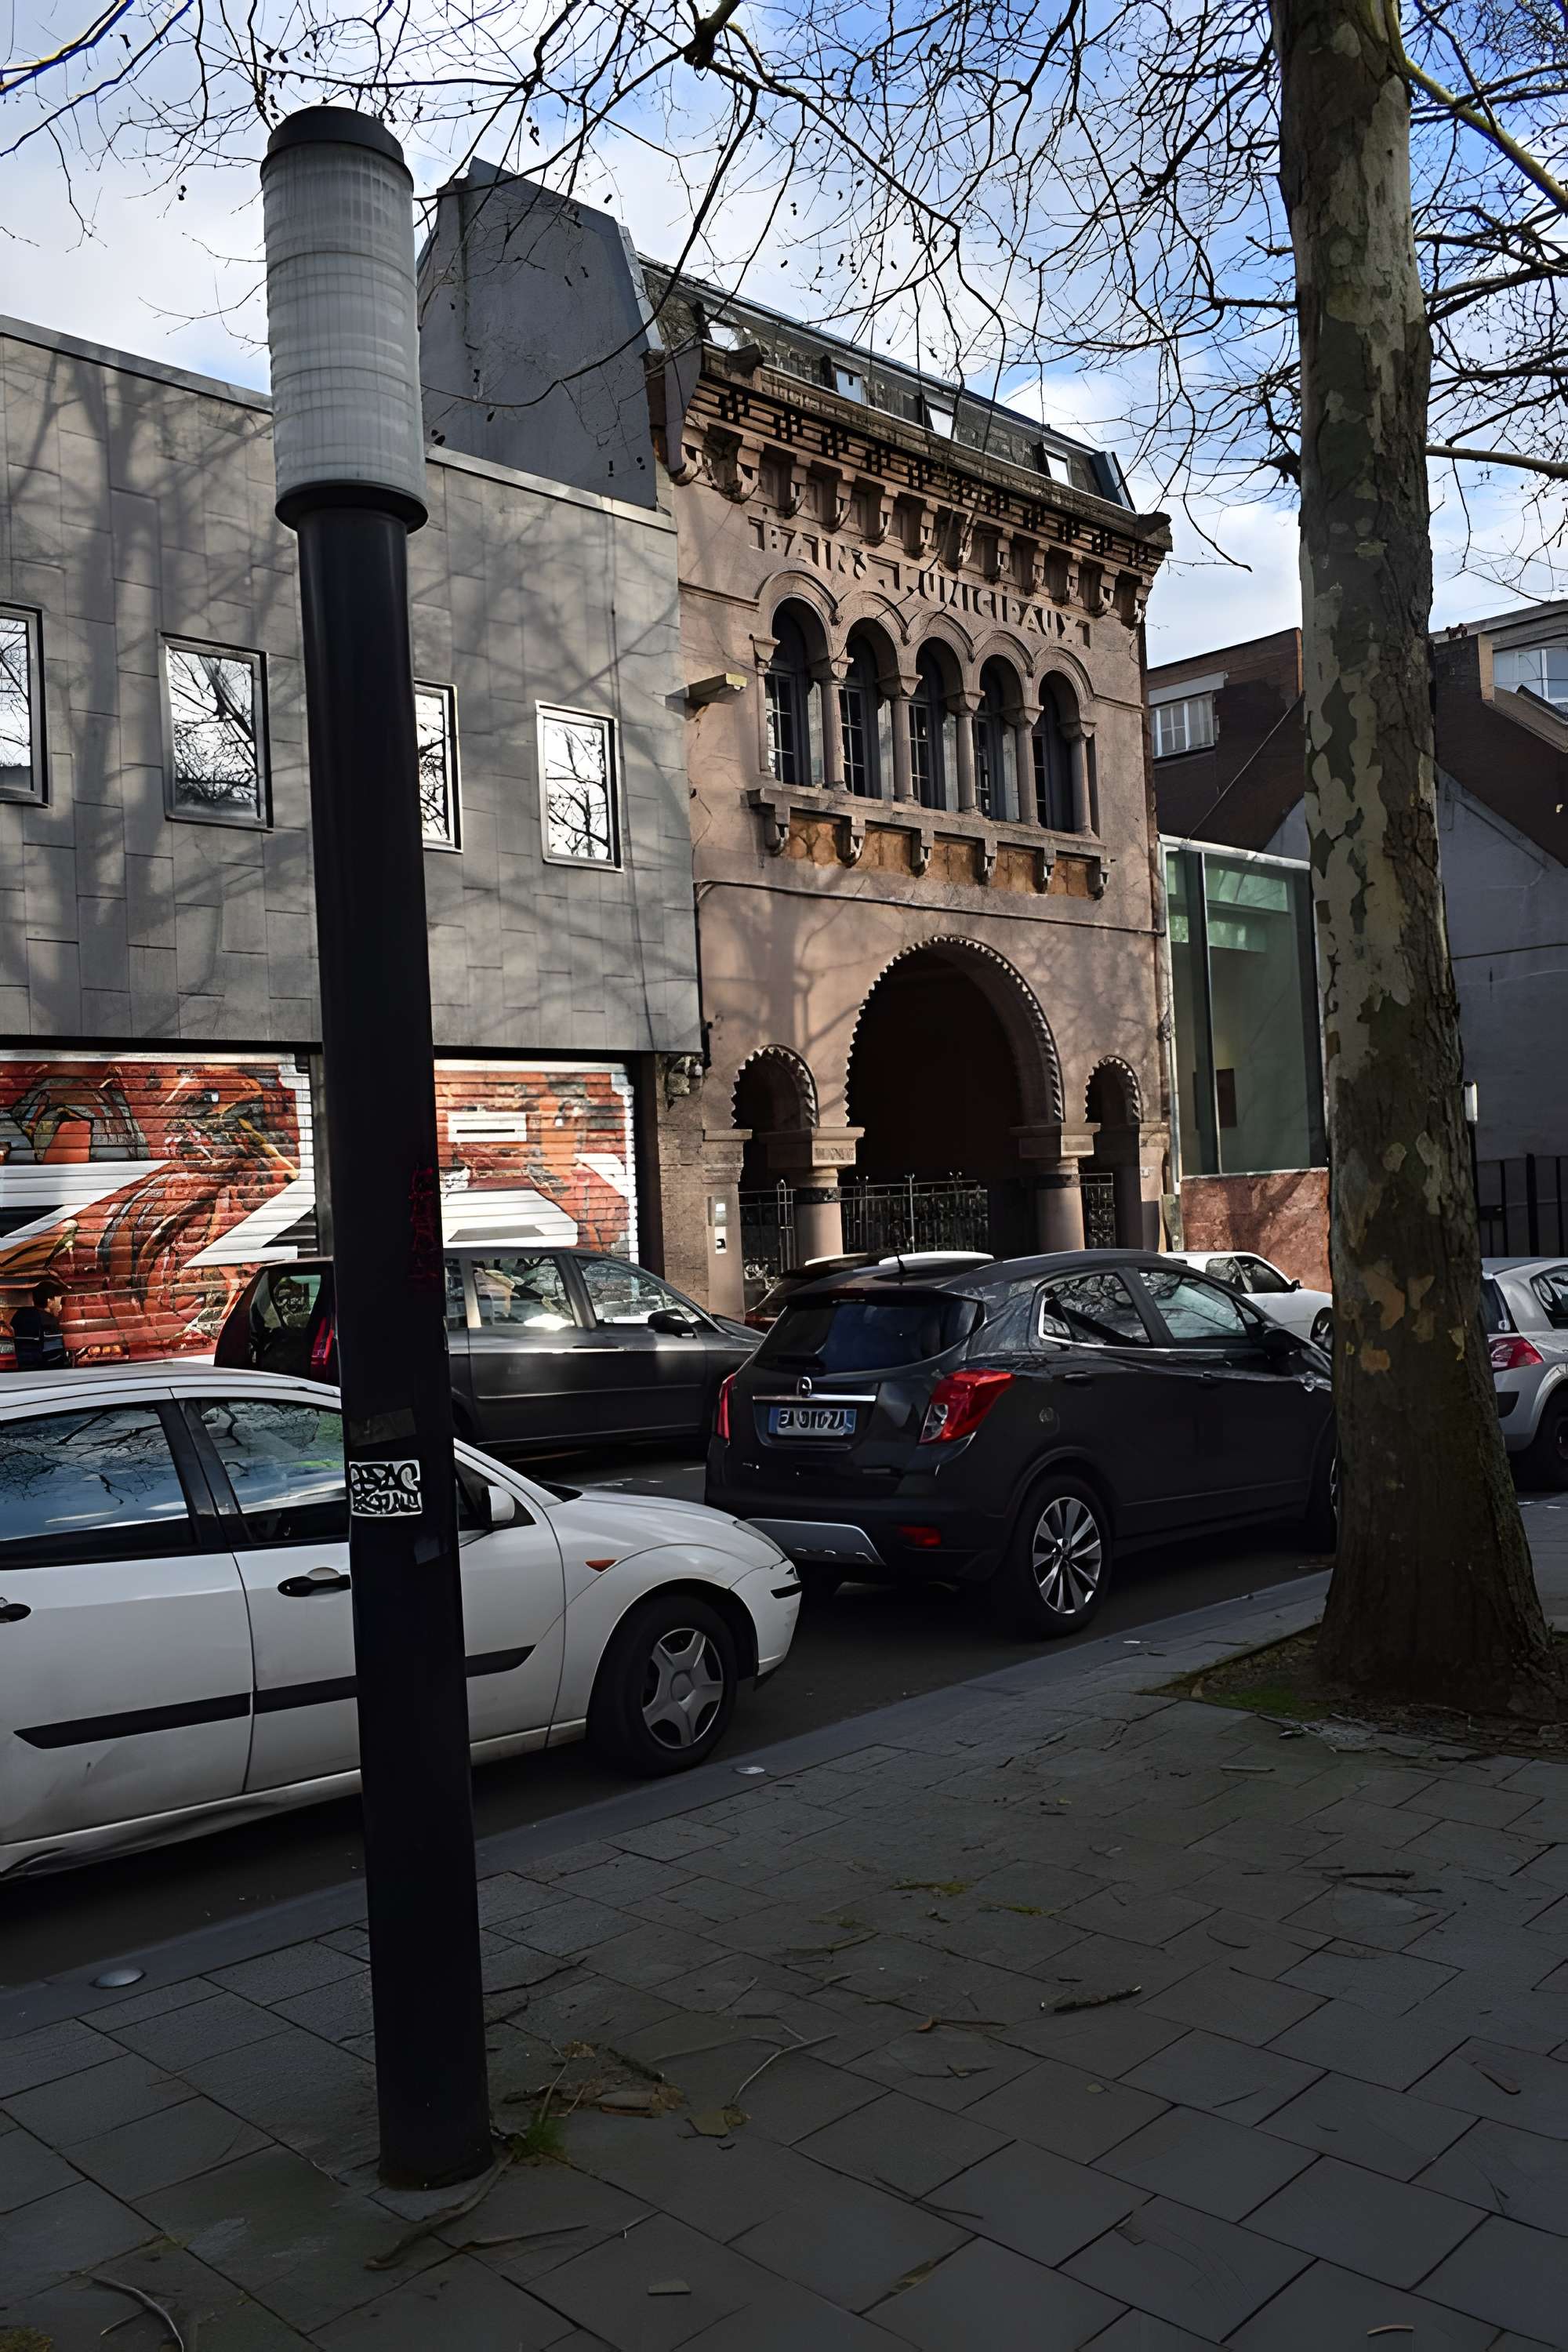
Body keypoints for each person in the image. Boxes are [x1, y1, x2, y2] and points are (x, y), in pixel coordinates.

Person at [11, 1280, 71, 1370]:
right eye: (59, 1302)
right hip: (44, 1372)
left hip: (22, 1369)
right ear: (49, 1301)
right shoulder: (50, 1322)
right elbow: (56, 1356)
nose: (60, 1307)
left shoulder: (20, 1315)